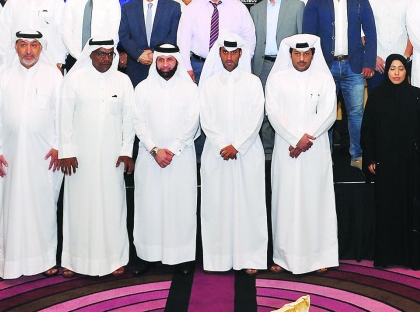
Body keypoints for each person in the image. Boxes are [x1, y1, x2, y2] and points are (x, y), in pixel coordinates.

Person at [57, 38, 136, 278]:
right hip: (79, 158)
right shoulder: (74, 80)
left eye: (110, 54)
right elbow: (64, 117)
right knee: (78, 207)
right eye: (100, 54)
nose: (105, 59)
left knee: (113, 207)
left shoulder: (123, 81)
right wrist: (66, 151)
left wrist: (127, 150)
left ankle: (115, 259)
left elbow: (129, 119)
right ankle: (73, 260)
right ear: (90, 55)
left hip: (113, 157)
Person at [0, 31, 64, 279]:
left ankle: (45, 261)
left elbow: (61, 115)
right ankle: (10, 263)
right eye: (23, 44)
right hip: (9, 156)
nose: (28, 50)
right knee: (11, 209)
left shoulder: (53, 76)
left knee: (43, 208)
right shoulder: (5, 77)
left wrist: (57, 146)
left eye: (34, 45)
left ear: (41, 48)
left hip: (44, 157)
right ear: (15, 47)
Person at [266, 35, 339, 274]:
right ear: (290, 55)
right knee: (285, 202)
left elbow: (329, 114)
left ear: (313, 54)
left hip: (314, 150)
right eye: (297, 54)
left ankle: (319, 257)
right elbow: (273, 113)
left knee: (315, 200)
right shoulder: (277, 79)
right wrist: (295, 138)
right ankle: (282, 257)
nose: (301, 58)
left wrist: (305, 139)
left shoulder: (324, 79)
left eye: (306, 54)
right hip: (286, 149)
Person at [199, 34, 268, 273]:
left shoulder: (253, 83)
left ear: (240, 54)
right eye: (225, 53)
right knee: (216, 205)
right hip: (216, 153)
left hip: (246, 153)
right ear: (219, 54)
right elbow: (205, 119)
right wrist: (222, 144)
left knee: (249, 205)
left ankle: (250, 259)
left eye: (234, 53)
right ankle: (217, 260)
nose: (229, 57)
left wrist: (237, 145)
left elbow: (256, 117)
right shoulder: (208, 84)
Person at [132, 44, 200, 275]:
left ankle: (181, 257)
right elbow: (138, 122)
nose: (165, 65)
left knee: (180, 206)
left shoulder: (189, 89)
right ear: (155, 62)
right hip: (150, 158)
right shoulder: (142, 88)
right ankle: (147, 255)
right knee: (148, 206)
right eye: (161, 60)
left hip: (180, 159)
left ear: (177, 62)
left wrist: (171, 150)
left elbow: (192, 122)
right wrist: (154, 150)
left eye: (170, 60)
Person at [304, 0, 378, 168]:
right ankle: (324, 158)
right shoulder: (316, 0)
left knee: (356, 114)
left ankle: (357, 155)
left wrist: (369, 61)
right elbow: (309, 35)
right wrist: (312, 66)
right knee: (324, 115)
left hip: (353, 66)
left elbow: (371, 32)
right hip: (324, 67)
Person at [360, 54, 420, 268]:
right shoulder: (377, 95)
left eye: (401, 68)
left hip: (411, 164)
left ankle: (411, 257)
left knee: (411, 212)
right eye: (393, 69)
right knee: (388, 211)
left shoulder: (416, 95)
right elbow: (367, 131)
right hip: (386, 165)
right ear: (387, 71)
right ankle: (388, 257)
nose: (397, 73)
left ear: (406, 71)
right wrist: (370, 158)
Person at [250, 0, 304, 155]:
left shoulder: (297, 6)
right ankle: (267, 152)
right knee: (266, 110)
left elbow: (301, 38)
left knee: (288, 108)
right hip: (262, 65)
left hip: (287, 65)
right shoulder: (255, 9)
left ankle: (287, 148)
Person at [176, 0, 255, 83]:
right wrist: (187, 68)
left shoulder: (238, 8)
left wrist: (243, 63)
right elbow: (183, 41)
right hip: (198, 67)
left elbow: (249, 38)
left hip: (229, 67)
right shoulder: (192, 9)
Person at [120, 0, 181, 86]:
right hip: (136, 67)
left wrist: (156, 54)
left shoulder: (173, 7)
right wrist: (138, 54)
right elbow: (124, 35)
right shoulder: (128, 8)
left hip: (164, 66)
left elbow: (173, 35)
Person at [3, 0, 67, 68]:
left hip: (49, 61)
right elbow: (4, 32)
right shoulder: (14, 1)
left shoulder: (55, 1)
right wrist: (6, 59)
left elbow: (61, 32)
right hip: (17, 61)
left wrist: (59, 61)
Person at [60, 0, 121, 69]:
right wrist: (80, 57)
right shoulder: (72, 1)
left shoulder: (112, 2)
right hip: (75, 59)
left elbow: (113, 35)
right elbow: (66, 33)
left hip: (103, 61)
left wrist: (98, 57)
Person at [366, 0, 413, 89]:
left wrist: (405, 57)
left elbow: (413, 31)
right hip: (377, 63)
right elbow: (361, 32)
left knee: (402, 105)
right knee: (377, 105)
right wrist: (372, 57)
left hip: (403, 63)